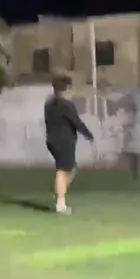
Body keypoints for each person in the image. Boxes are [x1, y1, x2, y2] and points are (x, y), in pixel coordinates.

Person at [43, 71, 94, 214]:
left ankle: (59, 193)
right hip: (63, 141)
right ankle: (60, 203)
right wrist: (88, 135)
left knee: (70, 168)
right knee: (63, 170)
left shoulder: (49, 104)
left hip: (52, 140)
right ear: (67, 88)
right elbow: (76, 122)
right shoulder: (66, 104)